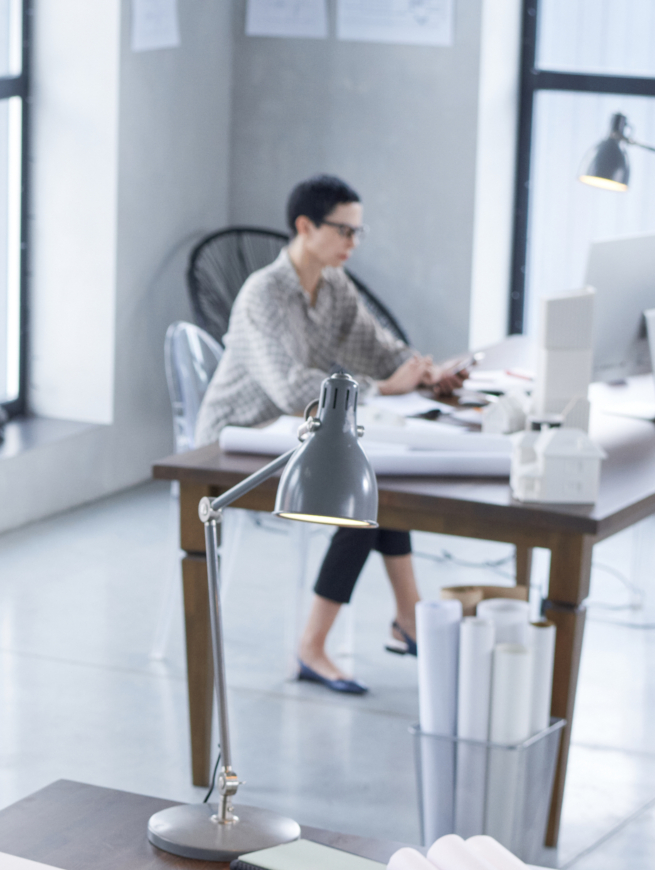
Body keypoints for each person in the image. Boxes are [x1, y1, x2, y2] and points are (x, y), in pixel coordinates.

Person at [195, 173, 466, 693]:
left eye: (358, 232)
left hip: (294, 435)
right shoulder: (263, 294)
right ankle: (322, 645)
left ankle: (402, 619)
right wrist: (383, 389)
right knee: (358, 494)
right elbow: (292, 388)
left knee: (376, 486)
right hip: (235, 444)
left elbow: (377, 347)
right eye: (344, 231)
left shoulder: (333, 284)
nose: (352, 243)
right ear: (305, 226)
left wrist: (423, 371)